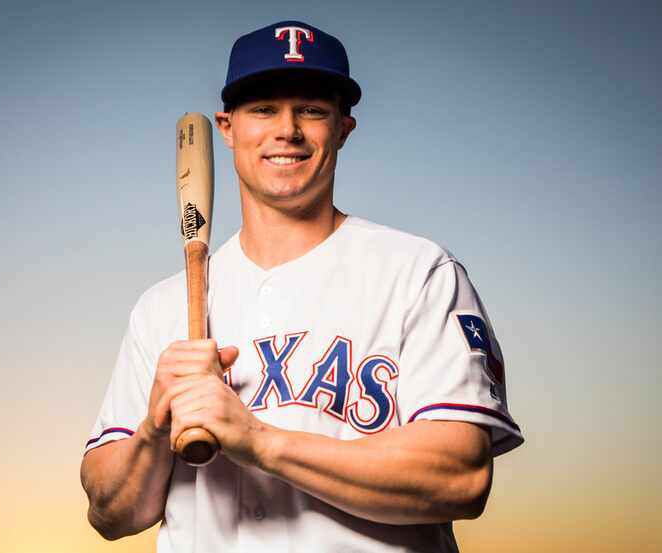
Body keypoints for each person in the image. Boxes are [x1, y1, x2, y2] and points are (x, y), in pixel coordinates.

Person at [81, 20, 523, 553]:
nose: (286, 129)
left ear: (343, 128)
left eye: (311, 109)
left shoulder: (417, 272)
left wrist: (260, 442)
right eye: (263, 108)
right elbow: (109, 511)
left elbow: (460, 477)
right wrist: (156, 426)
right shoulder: (161, 307)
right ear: (226, 127)